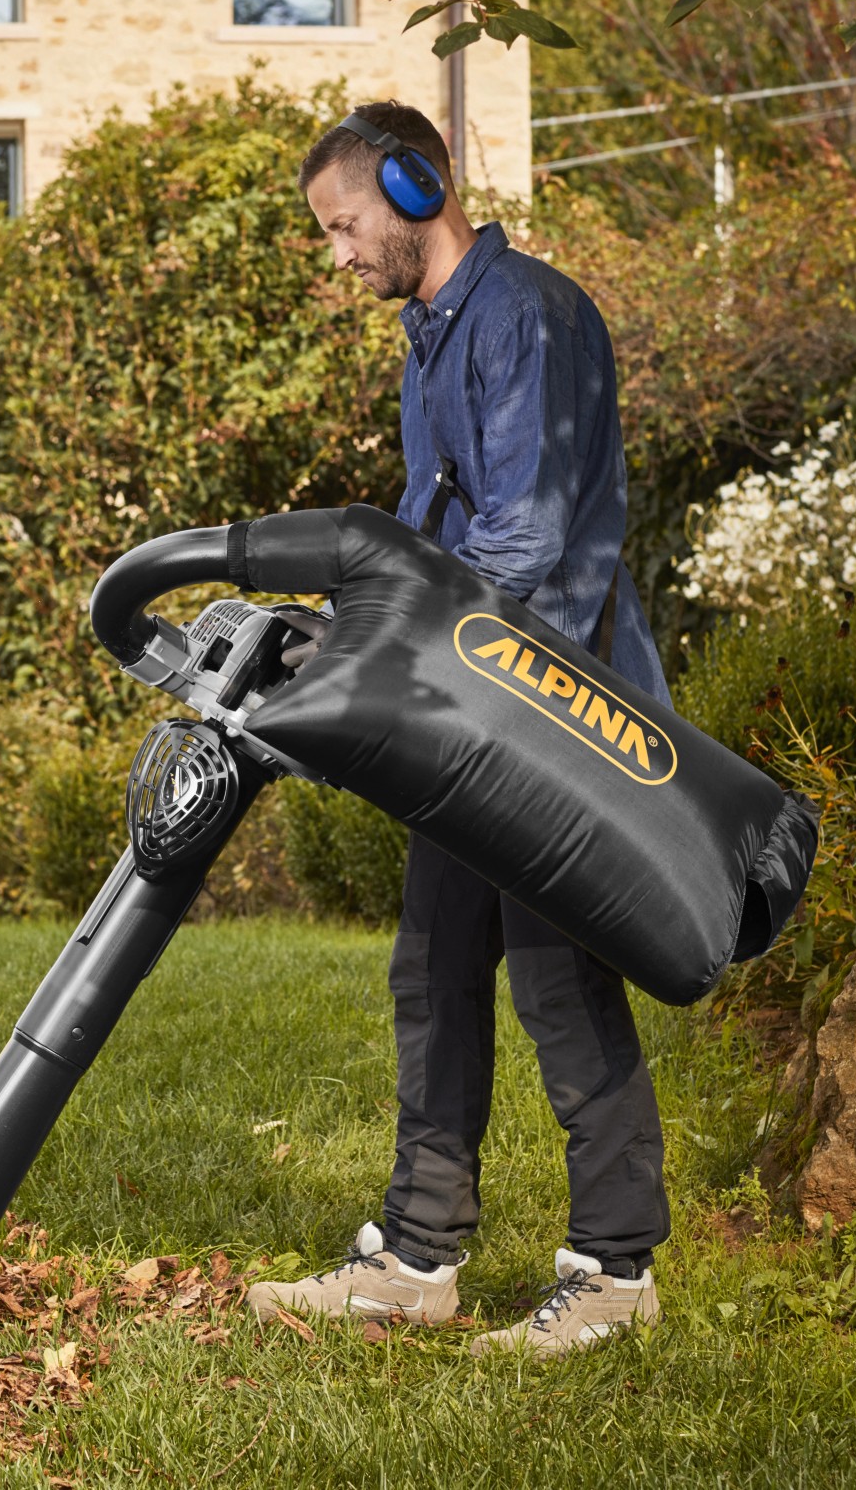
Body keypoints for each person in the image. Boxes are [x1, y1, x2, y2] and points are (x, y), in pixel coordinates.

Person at [247, 100, 672, 1358]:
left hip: (556, 714)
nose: (337, 257)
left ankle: (615, 1272)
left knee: (558, 979)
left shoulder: (527, 317)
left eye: (344, 226)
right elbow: (428, 529)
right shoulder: (429, 341)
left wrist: (388, 639)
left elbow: (530, 544)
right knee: (434, 973)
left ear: (415, 186)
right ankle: (416, 1259)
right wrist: (335, 627)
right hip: (471, 711)